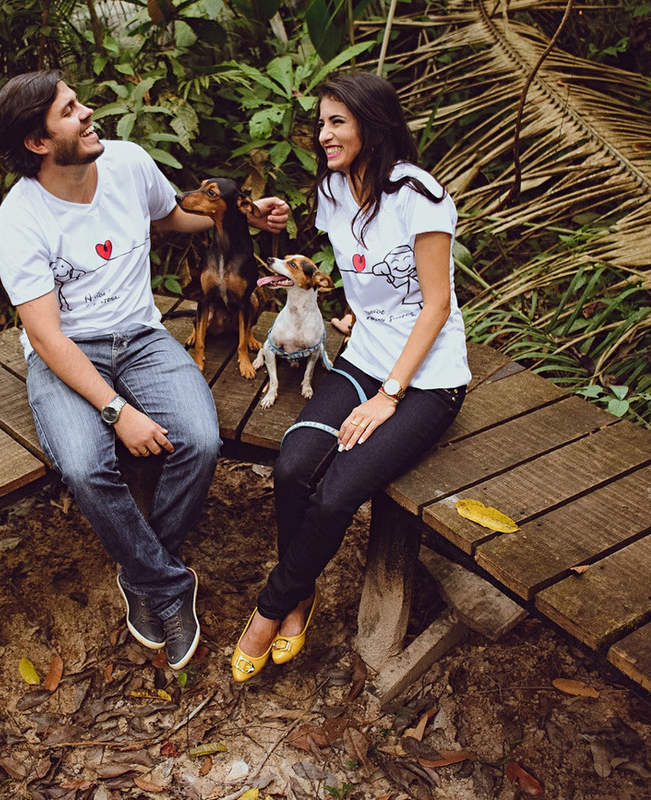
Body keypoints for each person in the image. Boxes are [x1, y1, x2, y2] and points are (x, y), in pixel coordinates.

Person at [0, 70, 289, 670]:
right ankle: (167, 584)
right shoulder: (20, 220)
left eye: (79, 100)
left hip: (144, 337)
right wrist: (117, 411)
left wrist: (246, 220)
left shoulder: (126, 163)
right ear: (38, 143)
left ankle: (142, 570)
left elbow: (174, 218)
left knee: (201, 441)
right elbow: (46, 336)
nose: (87, 111)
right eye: (70, 110)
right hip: (68, 355)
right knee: (85, 464)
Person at [230, 72, 471, 682]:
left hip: (426, 379)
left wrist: (390, 395)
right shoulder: (334, 190)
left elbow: (436, 304)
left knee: (337, 491)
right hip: (363, 354)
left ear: (372, 121)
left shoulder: (419, 193)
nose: (324, 133)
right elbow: (354, 273)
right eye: (321, 122)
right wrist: (352, 312)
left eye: (337, 121)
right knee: (291, 465)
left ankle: (271, 606)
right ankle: (302, 594)